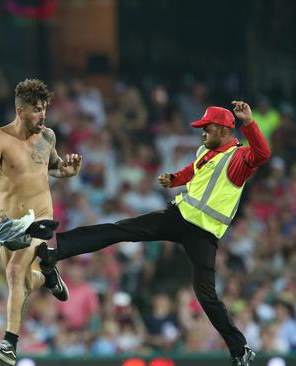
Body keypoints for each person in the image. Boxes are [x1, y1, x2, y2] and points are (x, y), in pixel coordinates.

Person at [36, 101, 269, 366]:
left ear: (225, 131)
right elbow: (193, 171)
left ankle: (240, 350)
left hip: (204, 233)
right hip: (179, 217)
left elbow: (261, 154)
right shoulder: (206, 150)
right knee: (121, 229)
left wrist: (249, 123)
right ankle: (61, 249)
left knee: (206, 294)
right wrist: (175, 179)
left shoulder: (238, 158)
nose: (202, 132)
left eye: (207, 128)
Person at [0, 79, 82, 365]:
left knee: (15, 272)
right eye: (36, 110)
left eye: (44, 108)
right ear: (20, 110)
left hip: (41, 218)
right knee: (18, 281)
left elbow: (53, 167)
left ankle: (9, 344)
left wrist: (66, 171)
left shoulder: (48, 137)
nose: (42, 115)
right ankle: (47, 276)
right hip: (8, 223)